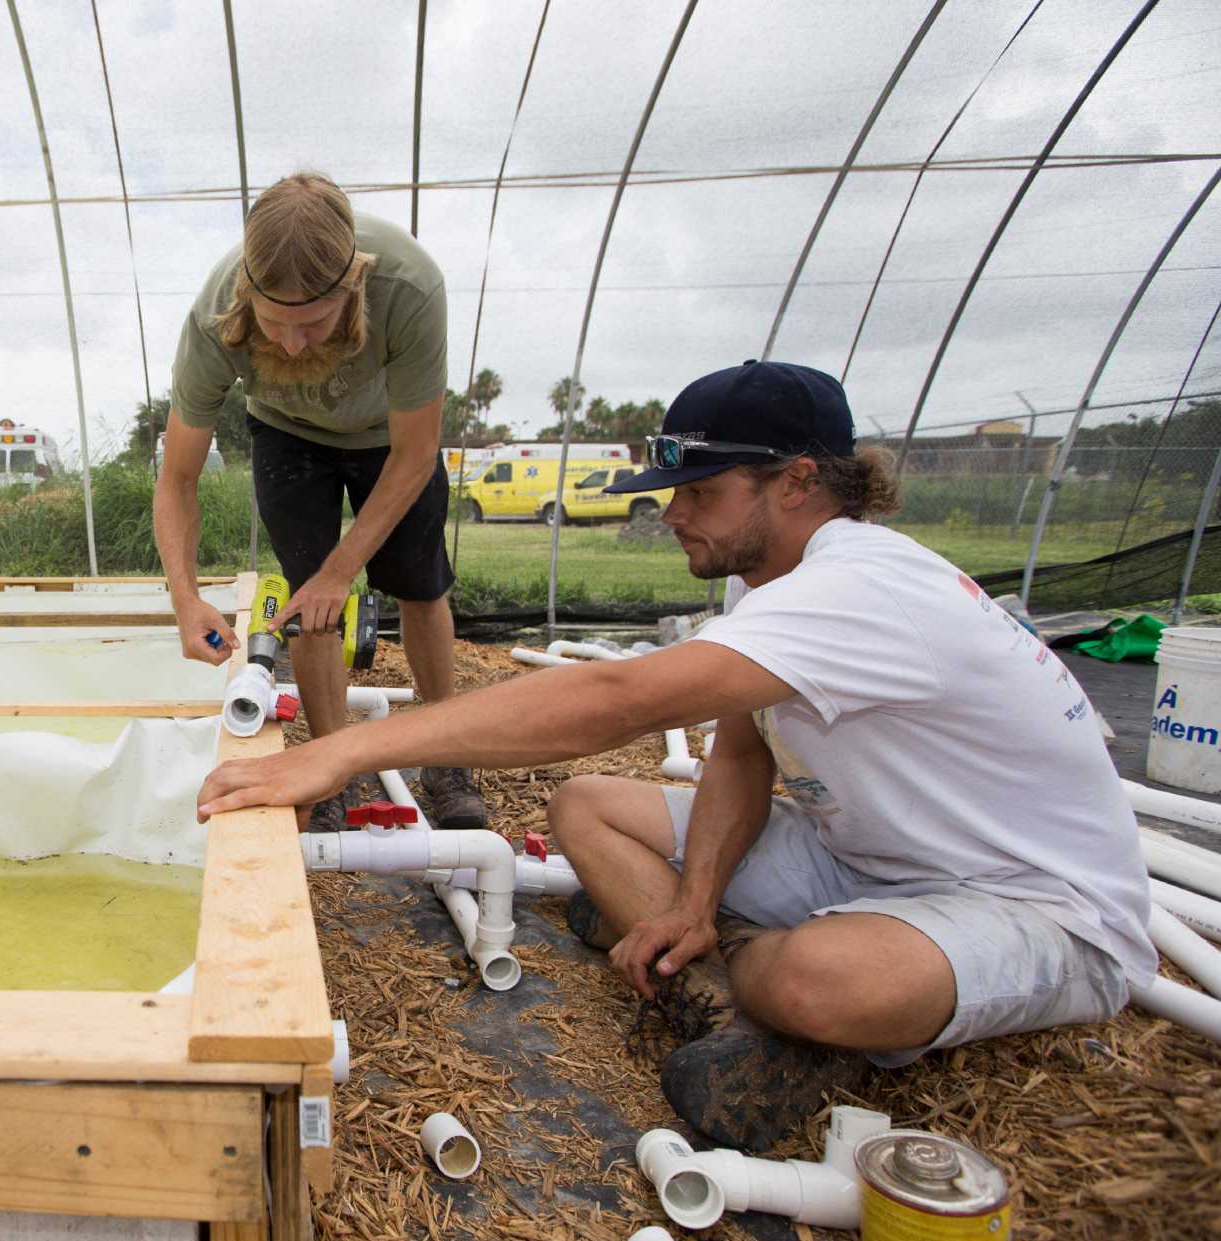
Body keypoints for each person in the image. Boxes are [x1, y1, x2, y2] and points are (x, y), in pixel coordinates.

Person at [195, 360, 1154, 1151]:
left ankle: (767, 993)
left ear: (798, 482)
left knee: (811, 979)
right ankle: (723, 993)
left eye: (699, 493)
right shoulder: (770, 584)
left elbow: (615, 700)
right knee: (584, 809)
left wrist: (341, 753)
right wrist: (697, 896)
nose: (674, 516)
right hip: (863, 857)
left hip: (1032, 899)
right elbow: (744, 749)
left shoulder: (863, 586)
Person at [154, 171, 485, 830]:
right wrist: (185, 597)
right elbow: (178, 478)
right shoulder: (215, 315)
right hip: (285, 434)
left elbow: (416, 451)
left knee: (420, 585)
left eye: (314, 323)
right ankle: (331, 763)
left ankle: (447, 755)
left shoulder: (410, 287)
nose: (293, 342)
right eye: (275, 323)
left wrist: (347, 571)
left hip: (386, 440)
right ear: (248, 297)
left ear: (356, 283)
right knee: (309, 591)